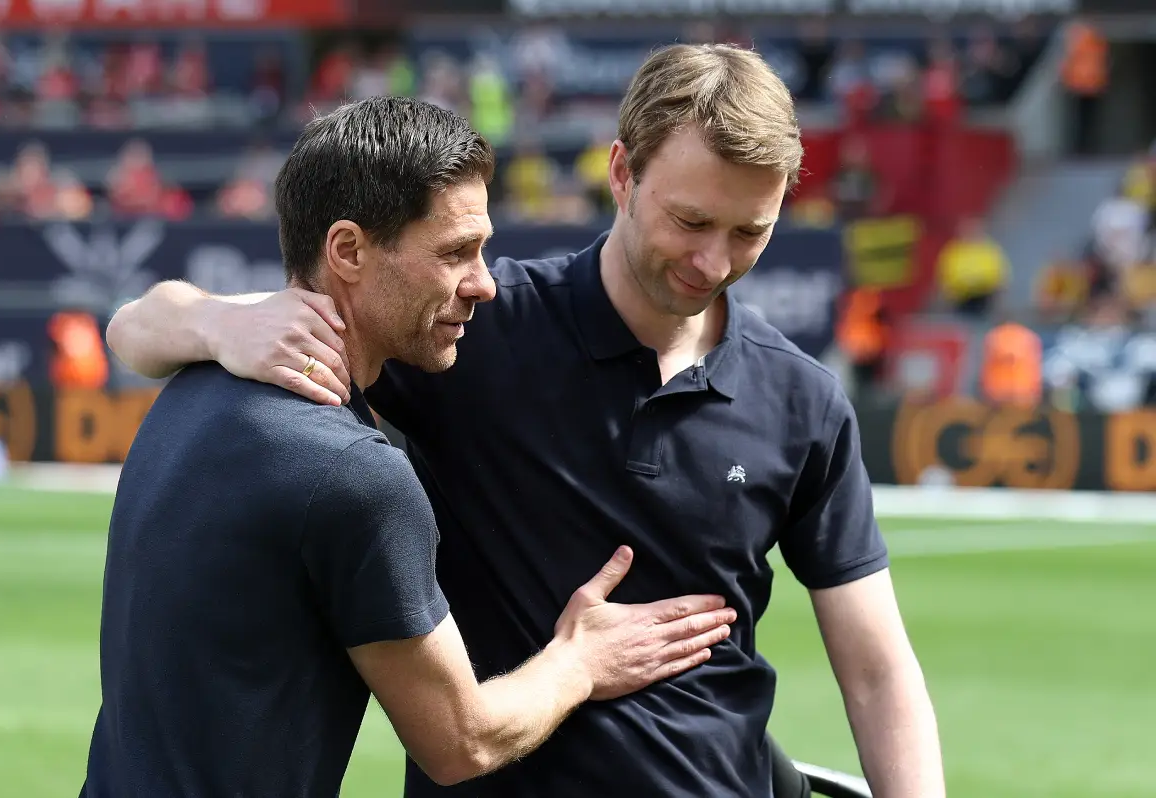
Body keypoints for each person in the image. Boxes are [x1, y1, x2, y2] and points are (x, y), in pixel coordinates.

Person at [108, 44, 945, 797]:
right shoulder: (471, 324)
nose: (713, 262)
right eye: (690, 221)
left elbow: (876, 671)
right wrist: (217, 322)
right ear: (621, 174)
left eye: (749, 232)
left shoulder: (803, 400)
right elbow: (139, 326)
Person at [80, 96, 739, 798]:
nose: (484, 283)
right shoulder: (354, 474)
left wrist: (209, 321)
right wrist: (582, 658)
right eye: (455, 252)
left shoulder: (194, 379)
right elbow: (463, 741)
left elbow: (137, 325)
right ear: (349, 252)